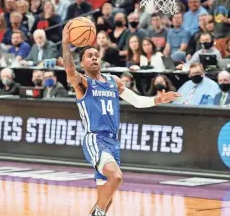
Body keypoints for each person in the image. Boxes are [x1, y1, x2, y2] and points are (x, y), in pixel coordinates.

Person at [61, 22, 180, 216]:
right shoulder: (82, 83)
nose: (94, 58)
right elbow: (69, 71)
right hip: (95, 139)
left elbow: (137, 101)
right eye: (89, 56)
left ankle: (97, 211)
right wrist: (66, 44)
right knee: (116, 178)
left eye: (96, 56)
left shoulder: (113, 81)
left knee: (105, 200)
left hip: (113, 141)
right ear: (82, 63)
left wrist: (158, 99)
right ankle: (96, 212)